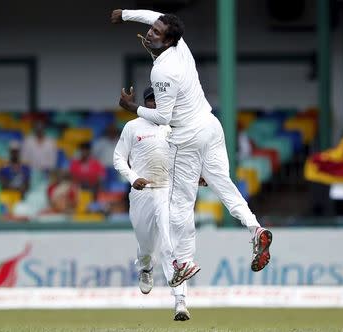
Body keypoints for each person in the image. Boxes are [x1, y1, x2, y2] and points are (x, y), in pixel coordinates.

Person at [111, 9, 273, 287]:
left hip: (186, 137)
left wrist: (132, 108)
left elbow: (163, 117)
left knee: (179, 204)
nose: (151, 32)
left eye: (157, 32)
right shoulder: (181, 46)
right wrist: (125, 14)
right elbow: (155, 15)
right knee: (223, 184)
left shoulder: (162, 70)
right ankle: (255, 227)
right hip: (211, 126)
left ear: (168, 41)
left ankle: (184, 261)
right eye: (153, 29)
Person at [113, 87, 190, 321]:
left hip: (167, 191)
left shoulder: (174, 126)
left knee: (170, 244)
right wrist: (133, 177)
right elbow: (118, 157)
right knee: (146, 244)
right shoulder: (133, 127)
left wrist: (197, 175)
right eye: (150, 101)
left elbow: (187, 156)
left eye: (159, 101)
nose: (155, 105)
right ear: (145, 104)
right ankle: (145, 266)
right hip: (142, 191)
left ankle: (180, 302)